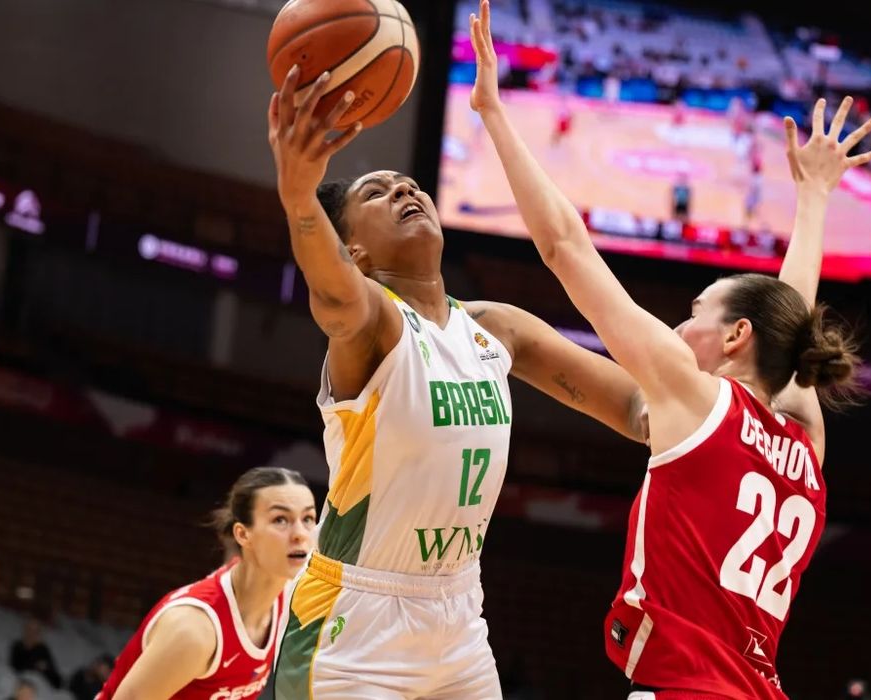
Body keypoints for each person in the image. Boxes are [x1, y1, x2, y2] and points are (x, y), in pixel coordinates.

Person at [470, 4, 871, 696]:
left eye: (696, 313)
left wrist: (494, 113)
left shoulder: (698, 400)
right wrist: (812, 198)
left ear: (734, 337)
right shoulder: (807, 446)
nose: (679, 326)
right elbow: (791, 321)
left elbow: (565, 247)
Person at [266, 43, 646, 700]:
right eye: (378, 192)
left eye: (406, 183)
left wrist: (734, 404)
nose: (404, 188)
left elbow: (640, 411)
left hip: (458, 616)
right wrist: (300, 196)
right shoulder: (372, 324)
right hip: (353, 624)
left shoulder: (494, 329)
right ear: (352, 249)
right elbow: (330, 290)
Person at [97, 467, 316, 700]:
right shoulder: (195, 630)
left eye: (308, 518)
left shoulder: (285, 598)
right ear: (243, 534)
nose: (300, 534)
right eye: (280, 520)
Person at [10, 618, 62, 689]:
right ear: (24, 631)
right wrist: (35, 666)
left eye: (35, 631)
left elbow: (56, 680)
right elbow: (14, 669)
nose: (32, 634)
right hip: (23, 686)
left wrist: (46, 669)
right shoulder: (17, 646)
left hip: (42, 687)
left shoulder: (43, 649)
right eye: (29, 630)